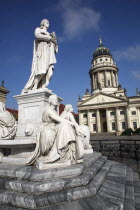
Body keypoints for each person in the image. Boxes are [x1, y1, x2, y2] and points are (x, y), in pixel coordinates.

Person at [27, 95, 83, 166]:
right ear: (50, 101)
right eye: (54, 99)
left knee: (65, 126)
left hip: (54, 126)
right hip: (48, 128)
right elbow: (59, 119)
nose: (56, 101)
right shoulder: (48, 109)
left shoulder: (54, 110)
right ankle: (61, 152)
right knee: (65, 126)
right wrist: (73, 124)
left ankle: (64, 152)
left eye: (56, 99)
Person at [22, 19, 58, 93]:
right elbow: (37, 35)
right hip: (41, 52)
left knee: (48, 70)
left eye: (49, 23)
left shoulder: (49, 33)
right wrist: (49, 38)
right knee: (41, 69)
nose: (49, 24)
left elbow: (55, 48)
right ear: (43, 23)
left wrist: (54, 41)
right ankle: (35, 86)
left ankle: (43, 86)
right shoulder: (38, 29)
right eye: (47, 22)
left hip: (48, 53)